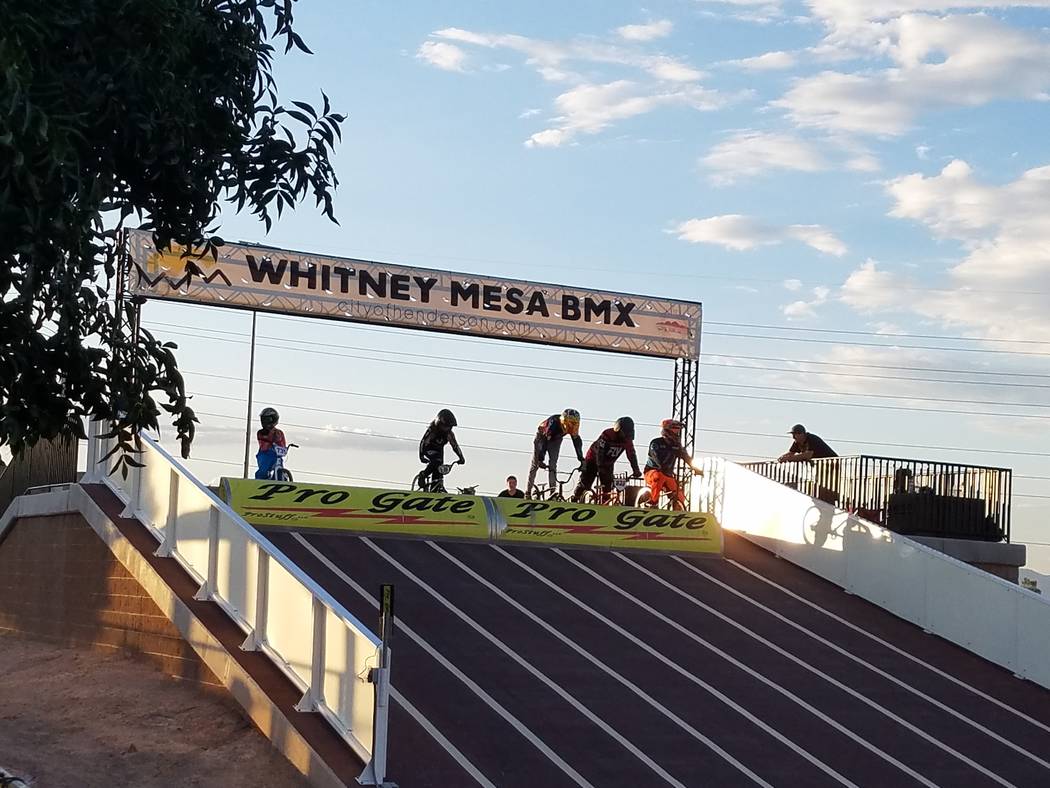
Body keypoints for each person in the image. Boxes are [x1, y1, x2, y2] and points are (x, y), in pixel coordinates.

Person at [572, 416, 642, 503]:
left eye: (628, 434)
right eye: (624, 433)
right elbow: (600, 451)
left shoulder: (628, 440)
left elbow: (631, 455)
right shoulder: (607, 434)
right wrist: (601, 467)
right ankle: (575, 498)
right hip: (592, 459)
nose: (625, 436)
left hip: (608, 463)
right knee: (585, 482)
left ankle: (605, 503)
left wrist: (636, 470)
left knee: (607, 487)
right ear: (618, 430)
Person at [643, 419, 702, 511]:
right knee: (658, 476)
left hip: (667, 475)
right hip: (652, 472)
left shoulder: (677, 445)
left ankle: (678, 510)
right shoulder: (656, 443)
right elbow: (656, 457)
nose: (677, 433)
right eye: (675, 429)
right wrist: (661, 467)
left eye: (678, 430)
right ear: (667, 431)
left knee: (679, 495)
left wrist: (695, 469)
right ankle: (653, 503)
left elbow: (686, 458)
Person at [527, 408, 584, 496]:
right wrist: (541, 459)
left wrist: (581, 459)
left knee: (553, 464)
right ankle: (528, 491)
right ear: (565, 421)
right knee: (535, 464)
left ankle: (552, 491)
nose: (573, 426)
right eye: (572, 423)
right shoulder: (553, 423)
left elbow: (577, 442)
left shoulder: (572, 428)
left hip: (556, 439)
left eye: (575, 423)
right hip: (542, 436)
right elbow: (544, 442)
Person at [778, 423, 839, 504]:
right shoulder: (797, 442)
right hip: (820, 465)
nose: (793, 437)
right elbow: (791, 453)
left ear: (802, 434)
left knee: (827, 484)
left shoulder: (812, 439)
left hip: (831, 463)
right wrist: (782, 457)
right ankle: (823, 499)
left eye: (795, 435)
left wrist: (789, 458)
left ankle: (829, 500)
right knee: (819, 482)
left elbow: (808, 455)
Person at [418, 408, 465, 490]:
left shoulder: (449, 434)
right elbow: (423, 443)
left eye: (449, 426)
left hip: (439, 450)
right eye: (445, 426)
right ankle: (423, 475)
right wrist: (421, 456)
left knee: (439, 470)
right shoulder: (432, 431)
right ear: (439, 423)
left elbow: (455, 446)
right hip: (428, 448)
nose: (447, 428)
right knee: (436, 461)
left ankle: (435, 488)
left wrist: (461, 457)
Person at [255, 407, 287, 480]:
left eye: (267, 419)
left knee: (280, 466)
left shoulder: (279, 432)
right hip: (265, 455)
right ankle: (260, 481)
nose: (265, 422)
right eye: (263, 419)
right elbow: (263, 445)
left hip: (276, 455)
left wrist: (283, 447)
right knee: (263, 471)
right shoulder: (261, 432)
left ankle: (282, 478)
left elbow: (283, 444)